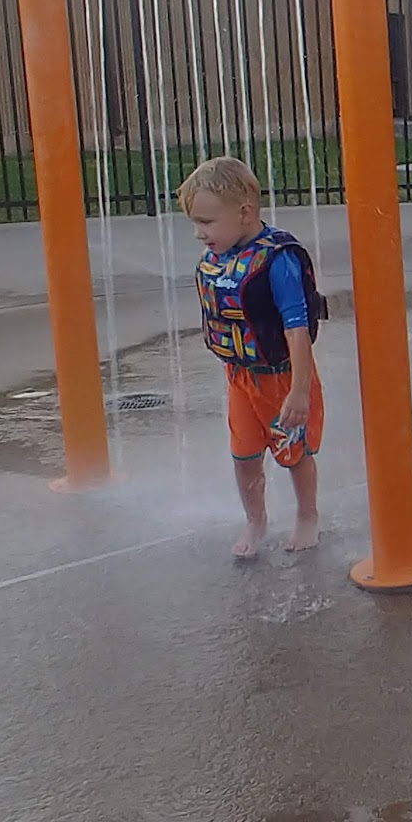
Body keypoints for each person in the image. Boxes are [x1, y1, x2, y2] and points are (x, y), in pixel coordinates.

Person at [176, 157, 328, 558]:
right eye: (195, 223)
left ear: (244, 213)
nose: (198, 233)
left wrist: (299, 392)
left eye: (206, 222)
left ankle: (307, 515)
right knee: (243, 455)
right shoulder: (221, 256)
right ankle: (256, 519)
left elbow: (296, 329)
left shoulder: (277, 260)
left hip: (281, 378)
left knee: (294, 455)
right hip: (240, 376)